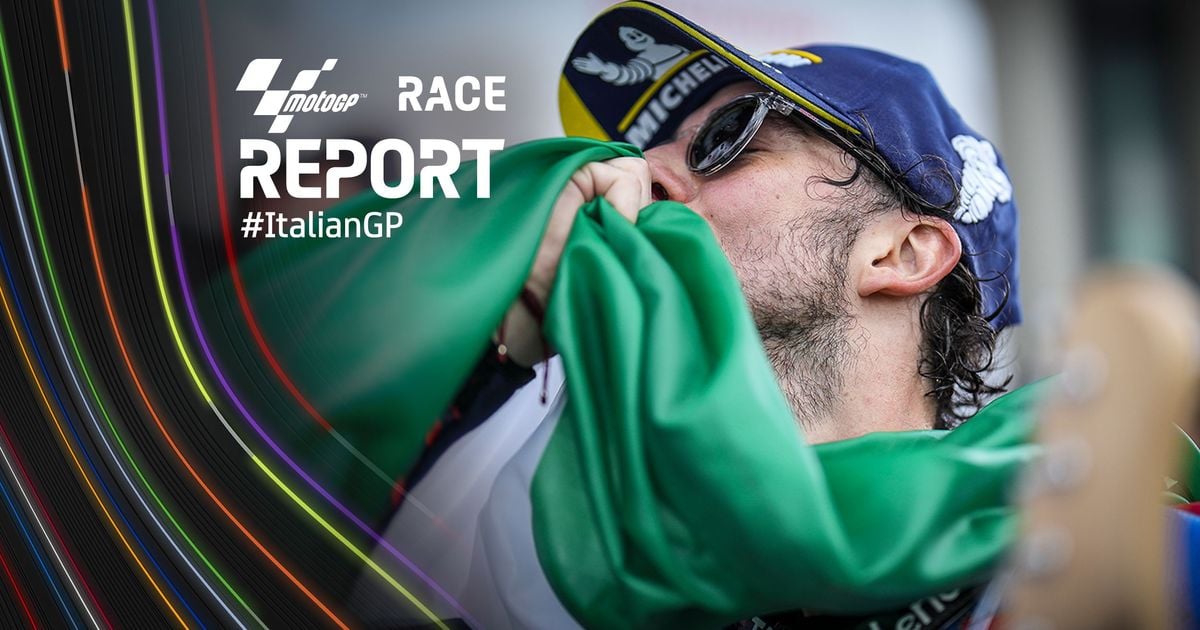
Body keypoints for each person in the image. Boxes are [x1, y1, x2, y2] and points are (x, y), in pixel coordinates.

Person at [355, 3, 1025, 627]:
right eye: (642, 150)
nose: (641, 171)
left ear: (901, 254)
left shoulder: (1034, 568)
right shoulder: (547, 526)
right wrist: (492, 354)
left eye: (727, 138)